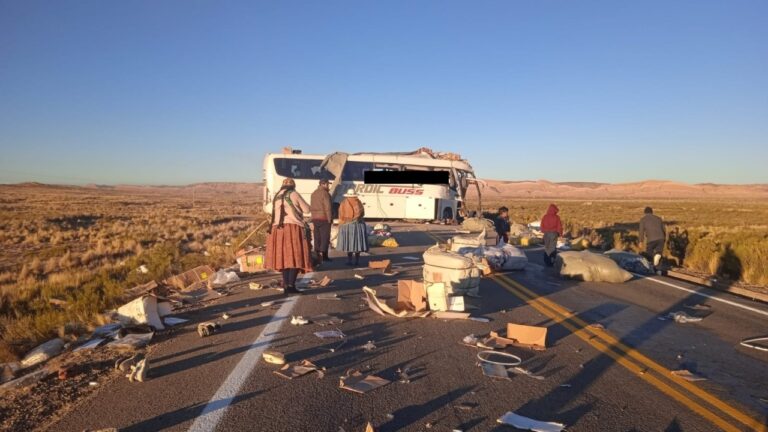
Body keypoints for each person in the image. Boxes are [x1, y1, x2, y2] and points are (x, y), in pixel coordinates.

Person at [265, 178, 312, 295]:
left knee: (284, 259)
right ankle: (291, 286)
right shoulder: (294, 194)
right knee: (296, 256)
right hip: (293, 228)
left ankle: (286, 285)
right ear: (293, 186)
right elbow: (307, 209)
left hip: (278, 230)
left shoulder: (277, 196)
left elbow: (270, 210)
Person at [337, 188, 368, 266]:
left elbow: (341, 215)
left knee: (349, 243)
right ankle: (357, 260)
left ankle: (349, 260)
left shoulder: (343, 203)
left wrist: (341, 223)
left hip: (347, 226)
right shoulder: (358, 202)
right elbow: (362, 213)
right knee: (358, 243)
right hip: (358, 225)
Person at [310, 178, 333, 263]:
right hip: (324, 218)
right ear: (323, 184)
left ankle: (316, 254)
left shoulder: (313, 193)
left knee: (317, 237)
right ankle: (324, 256)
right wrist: (330, 219)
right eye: (327, 184)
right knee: (325, 237)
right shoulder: (325, 194)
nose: (328, 186)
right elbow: (328, 207)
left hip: (315, 218)